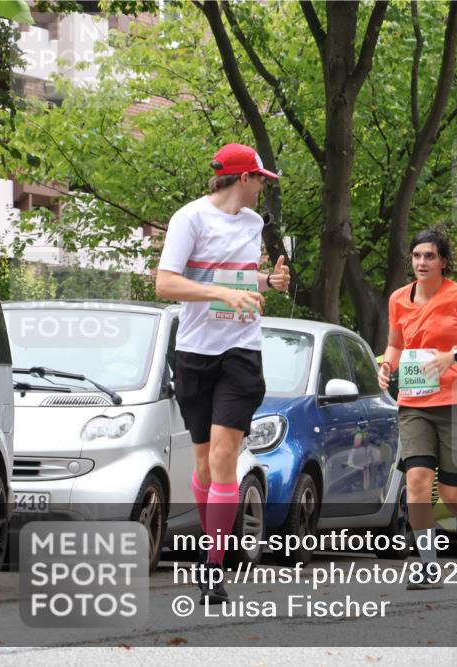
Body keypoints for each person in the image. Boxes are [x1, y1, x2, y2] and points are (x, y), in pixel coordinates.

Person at [156, 143, 289, 602]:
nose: (263, 187)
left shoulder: (253, 223)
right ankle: (211, 534)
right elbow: (165, 283)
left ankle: (213, 565)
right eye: (260, 179)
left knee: (223, 457)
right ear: (242, 179)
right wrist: (220, 294)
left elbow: (240, 277)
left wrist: (266, 282)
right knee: (202, 465)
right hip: (195, 352)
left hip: (241, 351)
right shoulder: (188, 218)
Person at [377, 227, 457, 589]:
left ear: (443, 261)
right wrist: (386, 366)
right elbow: (395, 344)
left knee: (450, 492)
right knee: (417, 483)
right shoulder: (399, 298)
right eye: (416, 256)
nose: (422, 262)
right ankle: (429, 566)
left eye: (430, 256)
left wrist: (452, 356)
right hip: (415, 403)